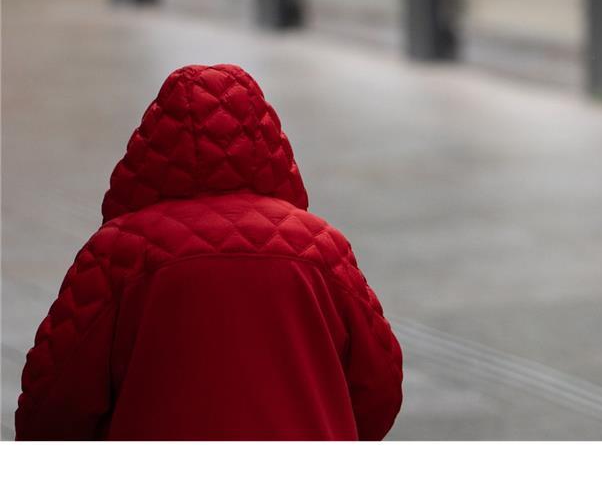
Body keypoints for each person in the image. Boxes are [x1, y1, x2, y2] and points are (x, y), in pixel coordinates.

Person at [15, 64, 403, 440]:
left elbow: (54, 400)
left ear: (152, 147)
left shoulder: (118, 254)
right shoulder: (319, 248)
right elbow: (379, 384)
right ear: (266, 140)